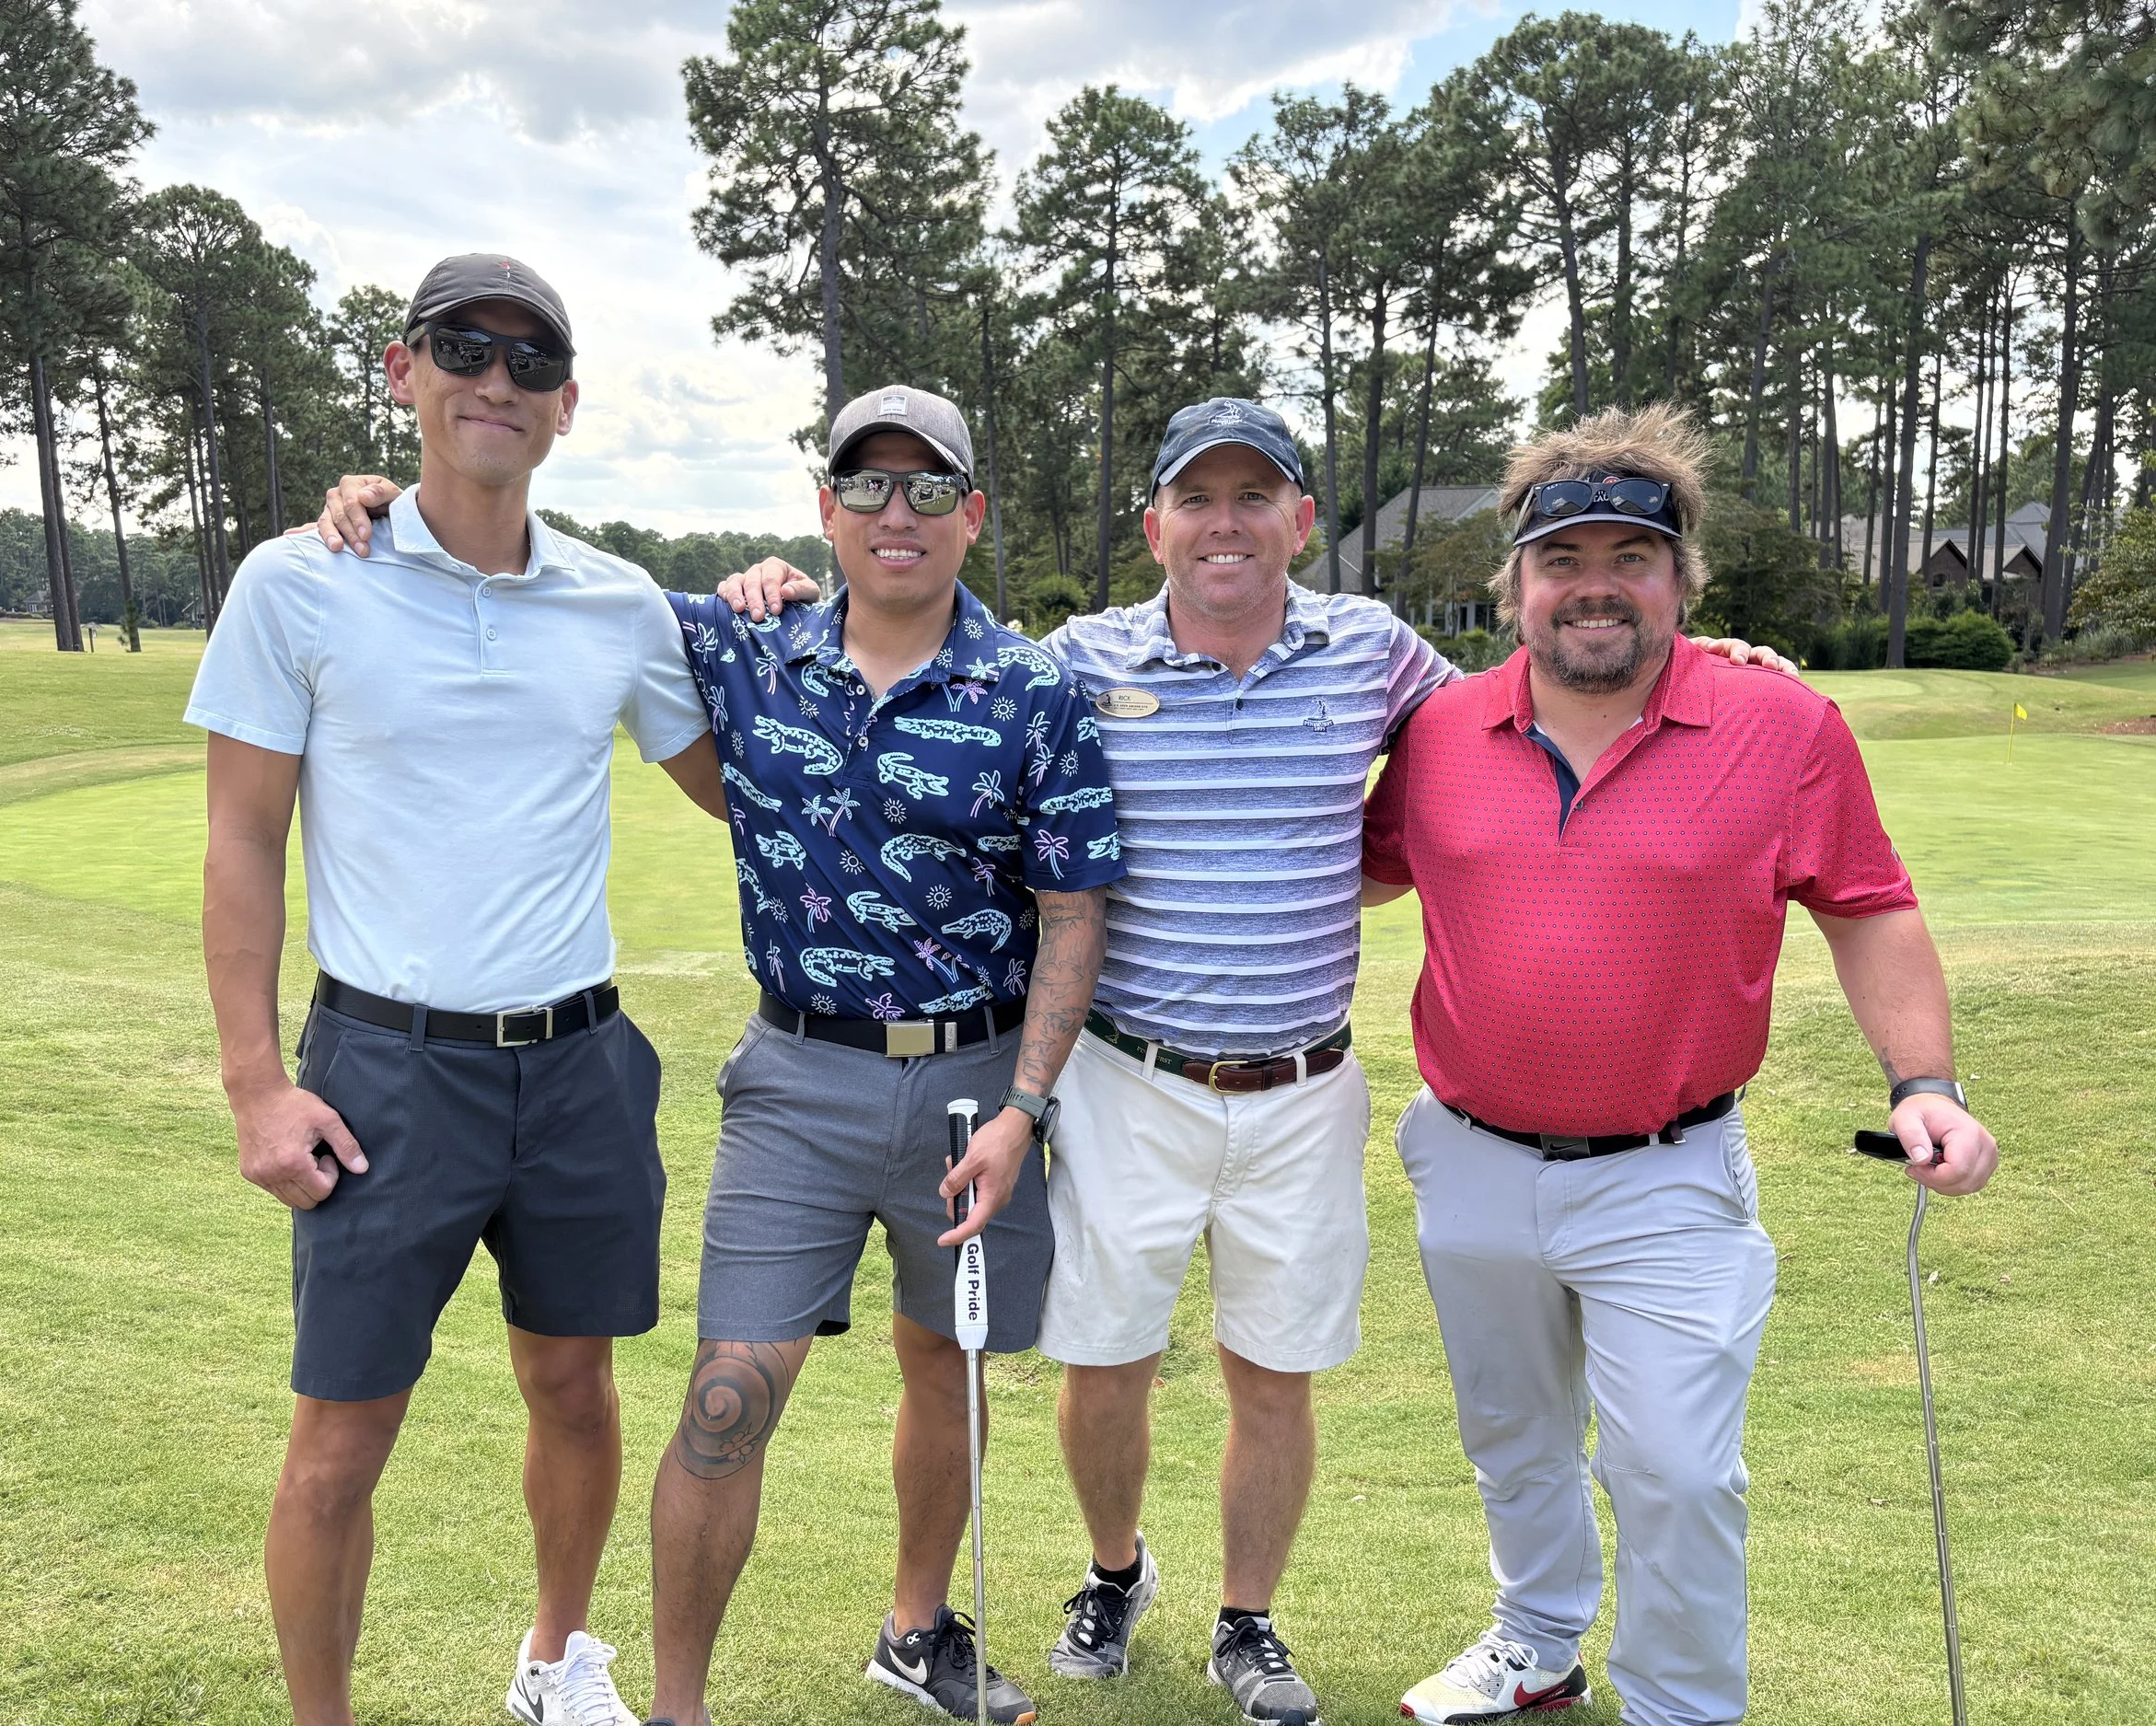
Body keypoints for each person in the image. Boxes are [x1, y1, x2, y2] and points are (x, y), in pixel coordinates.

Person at [717, 398, 1787, 1726]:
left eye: (1254, 496)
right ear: (1154, 521)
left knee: (1270, 1370)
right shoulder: (1075, 662)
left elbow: (1542, 707)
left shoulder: (1375, 652)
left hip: (1302, 1083)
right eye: (1197, 499)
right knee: (1103, 1358)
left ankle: (1248, 1619)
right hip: (1125, 1074)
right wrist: (784, 585)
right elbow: (927, 649)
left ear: (1299, 518)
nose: (1225, 524)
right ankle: (1115, 1573)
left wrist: (1700, 660)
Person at [316, 384, 1120, 1726]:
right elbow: (547, 571)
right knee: (727, 1396)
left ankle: (917, 1627)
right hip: (797, 1081)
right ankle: (679, 1708)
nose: (897, 513)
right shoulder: (744, 644)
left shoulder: (1038, 691)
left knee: (948, 1364)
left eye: (931, 487)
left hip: (981, 1084)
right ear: (824, 509)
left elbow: (1074, 909)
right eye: (867, 484)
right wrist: (396, 505)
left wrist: (1027, 1108)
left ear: (973, 511)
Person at [1360, 404, 2000, 1726]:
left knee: (1678, 1471)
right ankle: (1537, 1643)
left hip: (1668, 1170)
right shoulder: (1435, 736)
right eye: (1563, 559)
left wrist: (1921, 1081)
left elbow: (1868, 903)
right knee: (1514, 1439)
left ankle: (1683, 1706)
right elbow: (1336, 873)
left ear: (1680, 581)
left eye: (1630, 559)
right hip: (1469, 1157)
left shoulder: (1780, 725)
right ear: (1516, 586)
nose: (1594, 585)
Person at [193, 252, 724, 1726]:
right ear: (403, 369)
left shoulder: (618, 603)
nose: (498, 379)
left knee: (576, 1388)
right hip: (381, 1069)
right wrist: (254, 1081)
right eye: (464, 349)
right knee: (338, 1442)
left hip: (580, 1063)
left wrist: (784, 608)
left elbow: (738, 790)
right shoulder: (300, 578)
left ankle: (555, 1662)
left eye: (531, 360)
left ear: (566, 407)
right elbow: (243, 841)